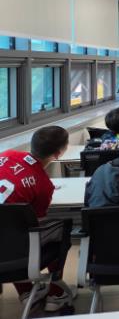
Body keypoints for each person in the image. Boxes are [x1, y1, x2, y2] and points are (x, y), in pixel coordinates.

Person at [0, 126, 73, 311]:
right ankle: (56, 294)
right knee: (58, 231)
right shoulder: (43, 185)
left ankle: (26, 292)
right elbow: (36, 223)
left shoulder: (7, 154)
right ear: (58, 154)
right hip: (10, 247)